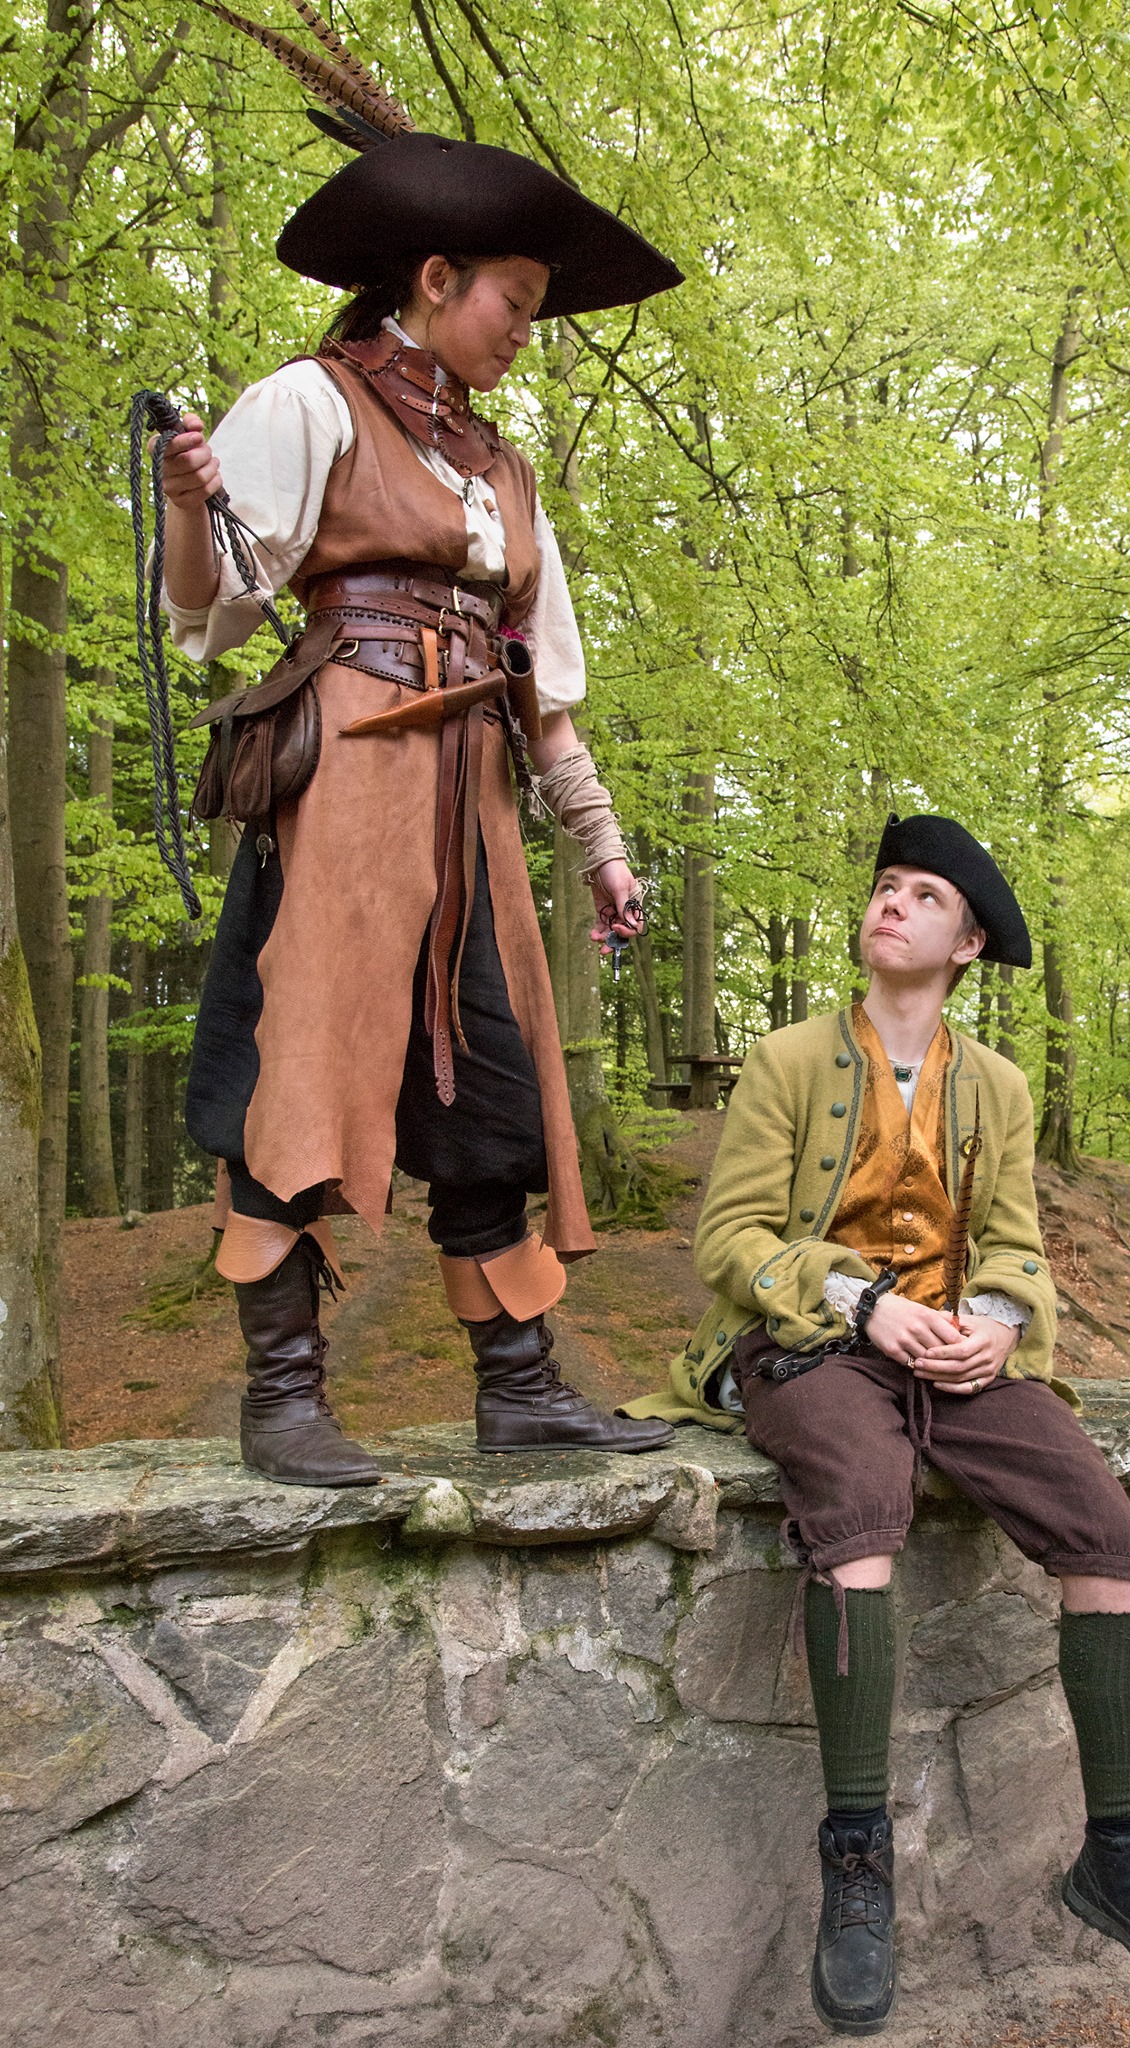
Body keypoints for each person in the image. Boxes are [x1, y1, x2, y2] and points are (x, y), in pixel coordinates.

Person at [159, 19, 680, 1486]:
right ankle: (283, 1397)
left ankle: (519, 1389)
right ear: (435, 279)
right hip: (345, 784)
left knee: (493, 1082)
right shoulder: (308, 402)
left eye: (539, 310)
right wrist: (190, 503)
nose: (525, 332)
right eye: (515, 301)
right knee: (297, 1063)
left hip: (474, 805)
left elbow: (544, 689)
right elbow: (210, 610)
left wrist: (602, 845)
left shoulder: (505, 471)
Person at [625, 813, 1130, 2035]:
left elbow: (1013, 1239)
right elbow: (729, 1239)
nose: (892, 903)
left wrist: (999, 1322)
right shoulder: (788, 1058)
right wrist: (864, 1302)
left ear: (965, 945)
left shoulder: (997, 1084)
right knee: (863, 1509)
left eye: (923, 895)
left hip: (957, 1357)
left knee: (1106, 1534)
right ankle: (858, 1859)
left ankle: (1123, 1856)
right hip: (810, 1345)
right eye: (887, 886)